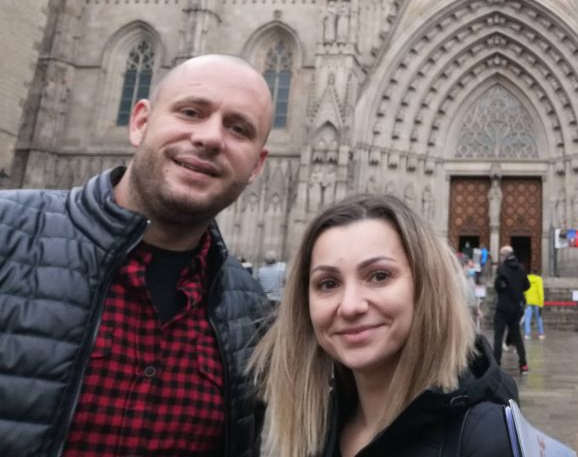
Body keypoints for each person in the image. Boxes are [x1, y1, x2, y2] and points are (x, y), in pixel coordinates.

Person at [0, 54, 274, 457]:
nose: (210, 138)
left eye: (238, 128)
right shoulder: (8, 235)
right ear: (140, 122)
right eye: (191, 111)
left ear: (257, 166)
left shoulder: (250, 315)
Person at [249, 194, 523, 457]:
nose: (350, 306)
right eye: (328, 283)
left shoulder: (487, 440)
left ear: (426, 287)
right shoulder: (316, 428)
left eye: (379, 276)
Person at [493, 245, 530, 373]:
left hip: (503, 308)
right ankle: (523, 364)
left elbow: (497, 287)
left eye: (501, 255)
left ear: (505, 255)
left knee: (498, 337)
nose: (500, 257)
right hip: (516, 308)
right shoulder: (521, 268)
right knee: (517, 337)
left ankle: (496, 364)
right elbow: (527, 285)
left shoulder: (502, 269)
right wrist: (517, 290)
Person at [522, 269, 546, 340]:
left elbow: (524, 289)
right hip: (537, 302)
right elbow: (540, 292)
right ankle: (541, 333)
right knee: (539, 318)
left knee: (527, 318)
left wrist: (525, 297)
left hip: (528, 301)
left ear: (531, 272)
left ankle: (527, 334)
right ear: (537, 273)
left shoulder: (527, 278)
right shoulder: (539, 279)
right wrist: (541, 304)